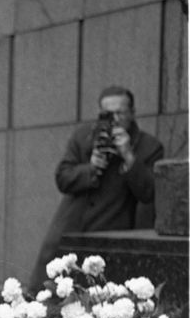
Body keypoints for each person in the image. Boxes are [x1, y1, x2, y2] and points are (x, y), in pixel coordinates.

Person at [30, 86, 164, 289]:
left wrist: (129, 156)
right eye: (108, 114)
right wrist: (91, 168)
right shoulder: (84, 136)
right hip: (72, 230)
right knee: (50, 295)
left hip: (114, 237)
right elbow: (62, 178)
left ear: (132, 113)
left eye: (120, 112)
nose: (115, 119)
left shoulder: (149, 146)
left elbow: (149, 192)